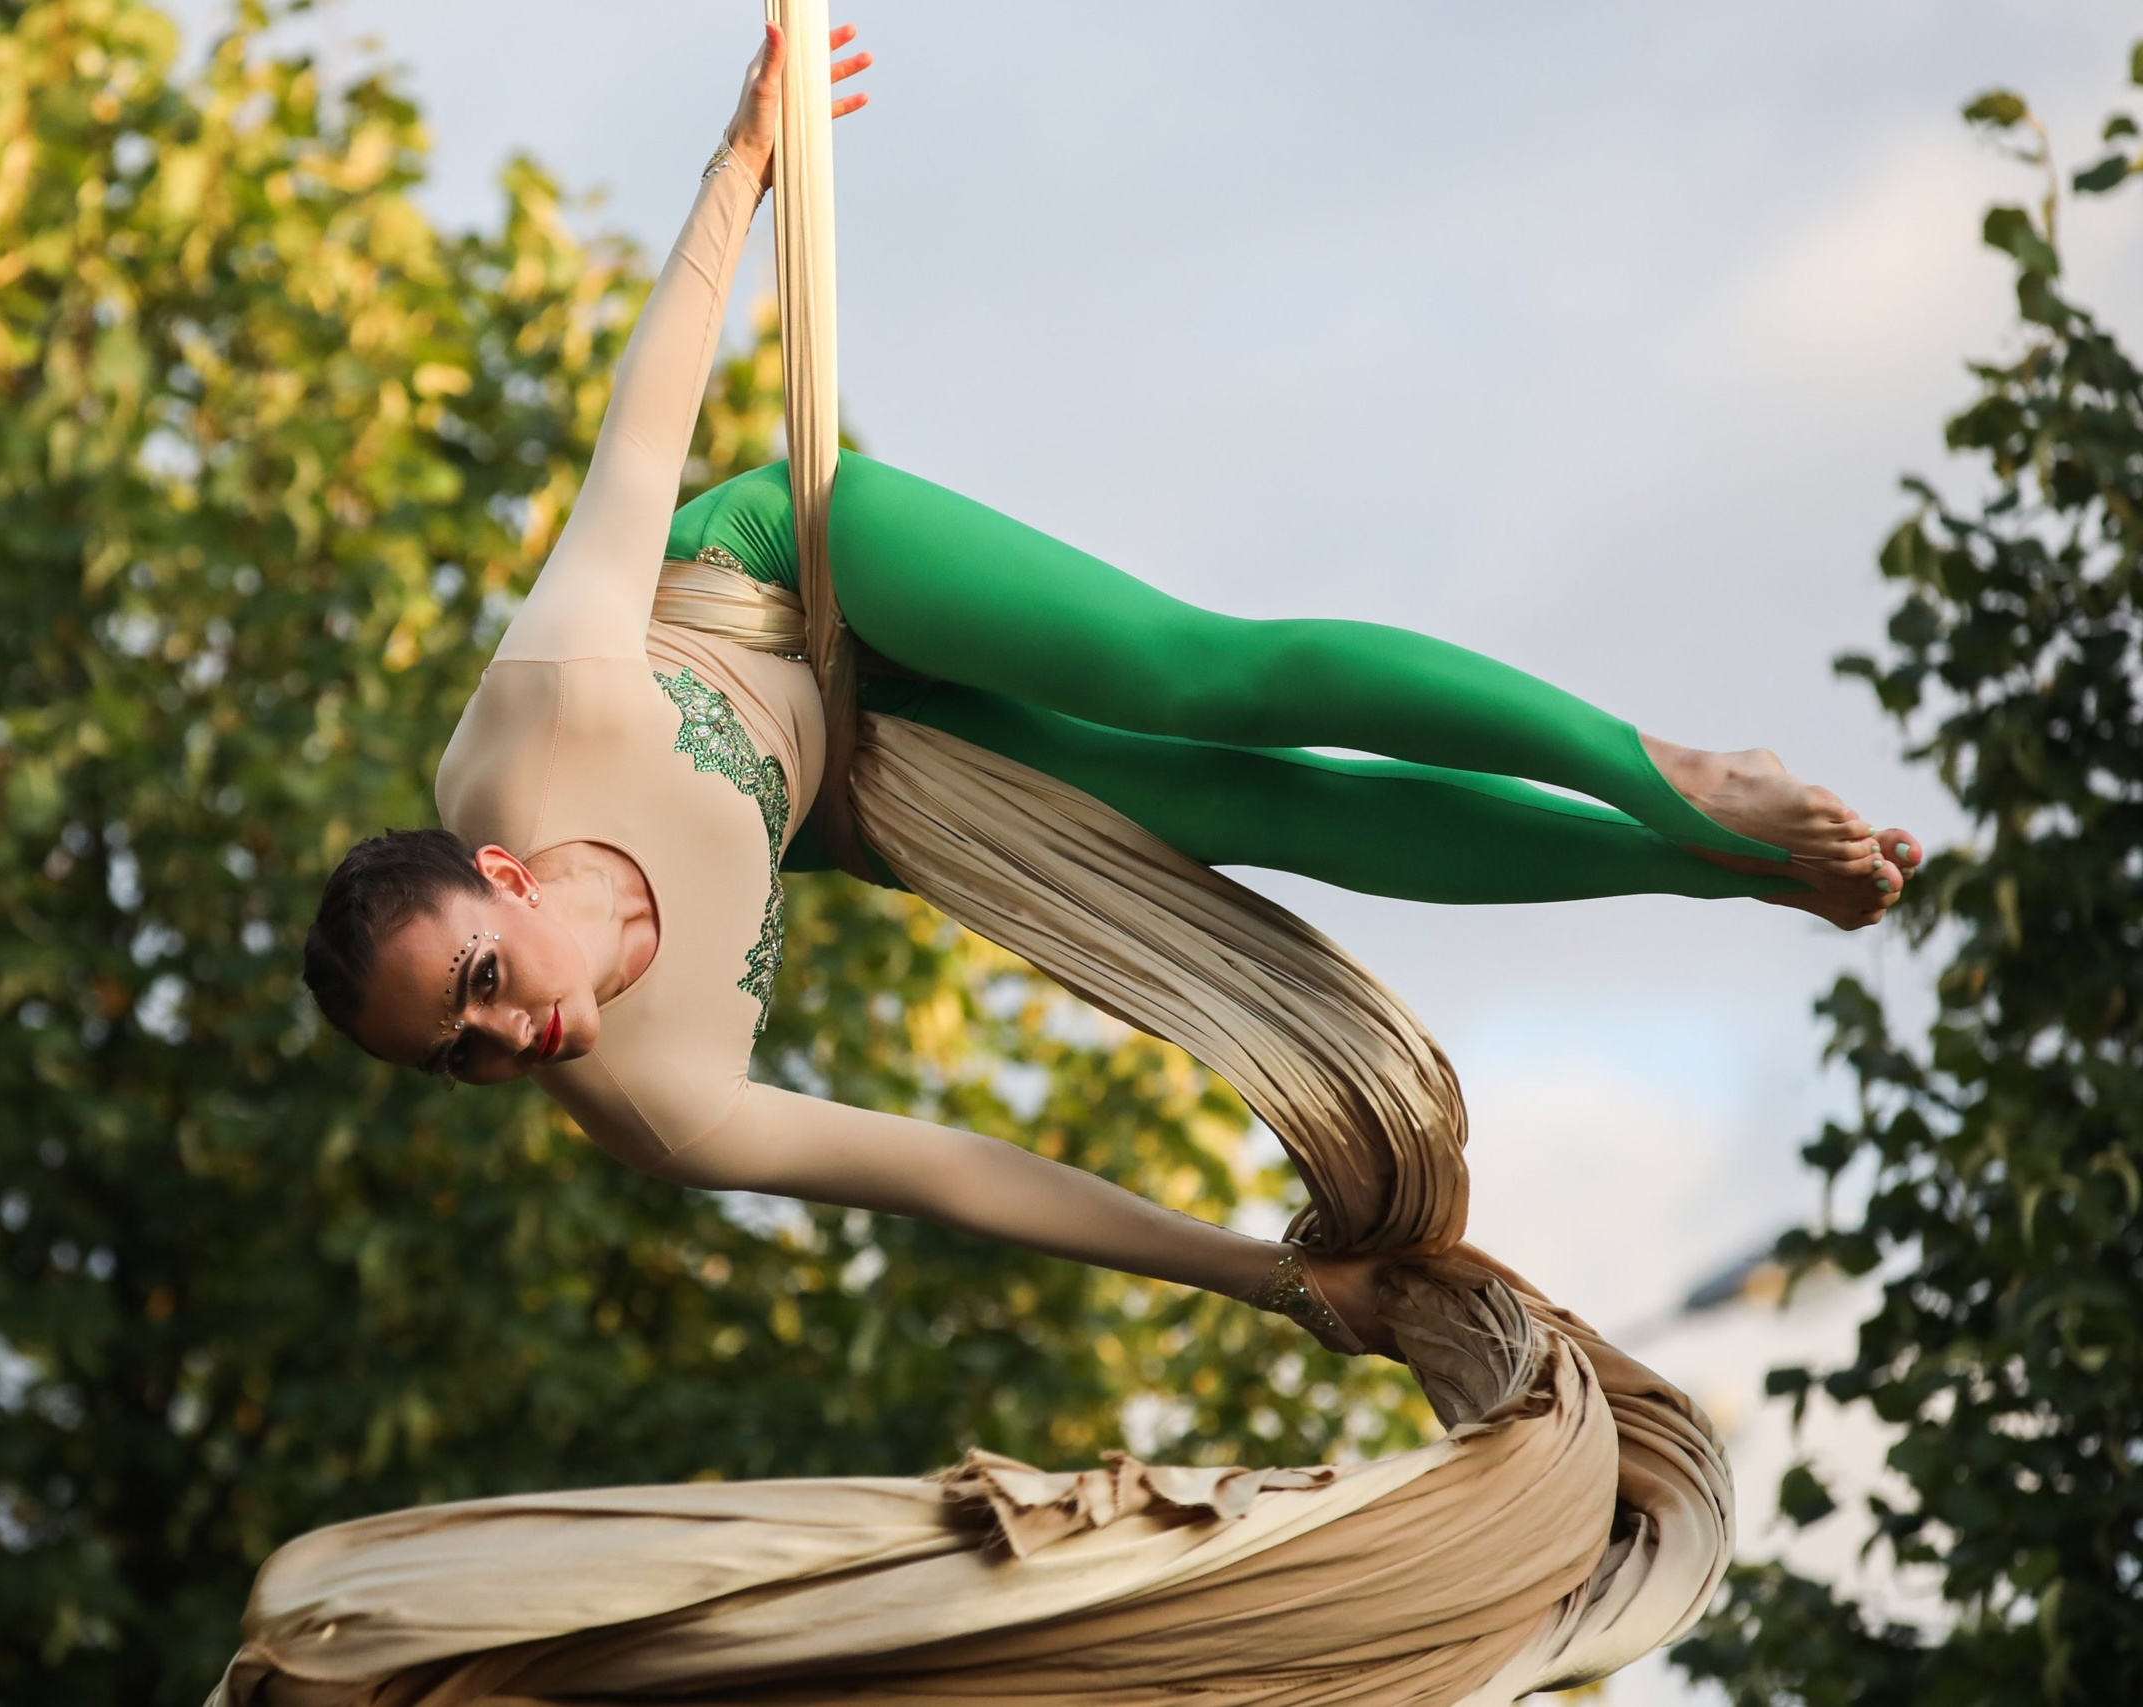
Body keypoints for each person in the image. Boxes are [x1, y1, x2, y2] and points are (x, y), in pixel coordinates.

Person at [298, 21, 1917, 1350]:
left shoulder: (546, 714)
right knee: (1236, 816)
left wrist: (741, 166)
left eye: (479, 984)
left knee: (1186, 678)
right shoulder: (655, 1108)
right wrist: (1278, 1282)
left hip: (777, 577)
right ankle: (1712, 868)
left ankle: (1673, 772)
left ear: (502, 876)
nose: (508, 1040)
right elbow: (962, 1177)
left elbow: (638, 442)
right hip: (846, 784)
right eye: (459, 1058)